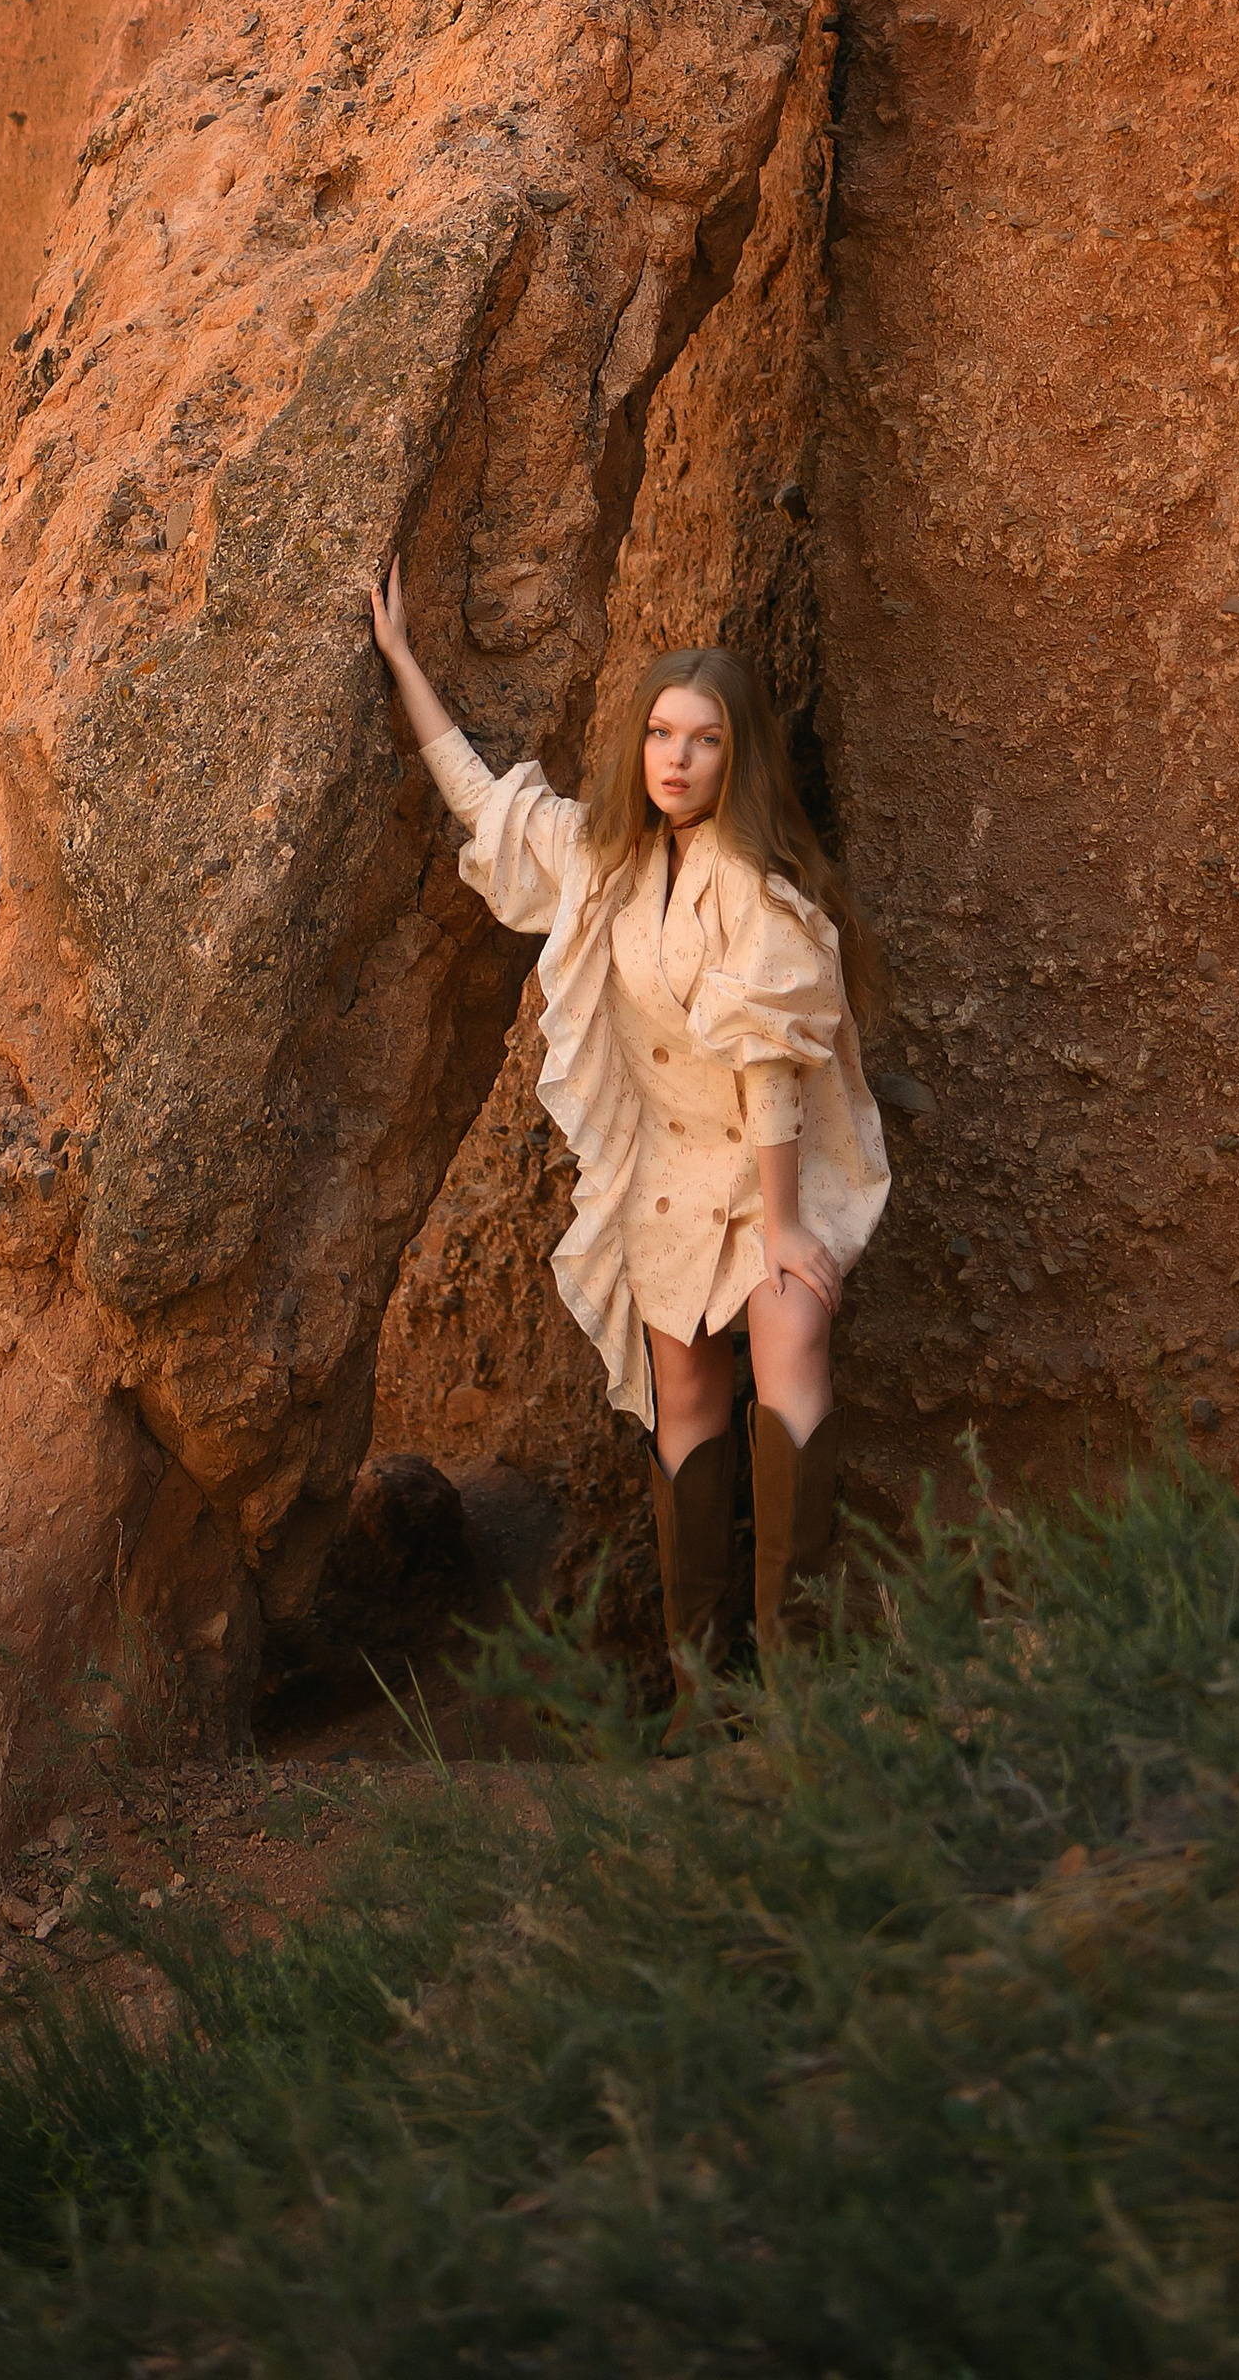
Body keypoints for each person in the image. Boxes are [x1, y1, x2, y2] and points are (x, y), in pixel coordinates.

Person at [368, 565, 891, 1702]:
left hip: (773, 1176)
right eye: (661, 733)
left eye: (704, 740)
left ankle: (801, 1713)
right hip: (667, 1180)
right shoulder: (605, 860)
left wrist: (787, 1228)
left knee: (791, 1340)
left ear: (737, 758)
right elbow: (485, 803)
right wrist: (405, 662)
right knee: (687, 1405)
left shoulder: (759, 891)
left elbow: (770, 1069)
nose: (676, 758)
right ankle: (702, 1704)